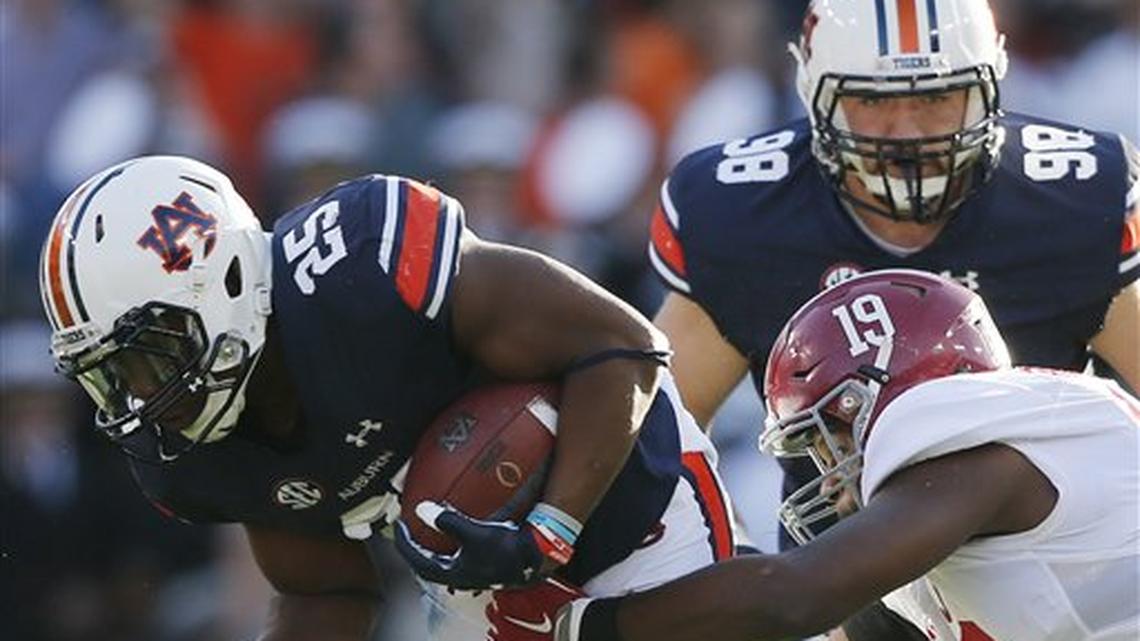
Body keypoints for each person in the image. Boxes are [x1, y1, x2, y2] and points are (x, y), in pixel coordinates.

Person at [38, 155, 737, 641]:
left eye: (146, 356)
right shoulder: (188, 456)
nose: (138, 393)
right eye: (111, 372)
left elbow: (621, 343)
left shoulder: (361, 273)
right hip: (481, 592)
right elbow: (324, 592)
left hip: (632, 501)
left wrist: (551, 525)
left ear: (218, 285)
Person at [648, 0, 1138, 636]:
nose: (907, 132)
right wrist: (730, 565)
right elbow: (660, 436)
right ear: (815, 97)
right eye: (874, 102)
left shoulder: (1069, 200)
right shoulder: (741, 214)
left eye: (937, 98)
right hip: (839, 584)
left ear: (990, 87)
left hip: (1045, 585)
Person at [489, 268, 1139, 641]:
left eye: (826, 433)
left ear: (878, 395)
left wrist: (579, 627)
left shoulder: (968, 442)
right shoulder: (986, 481)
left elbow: (790, 595)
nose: (825, 478)